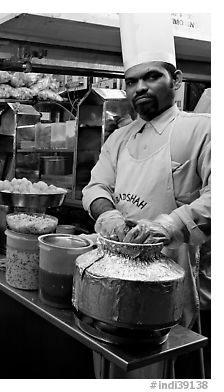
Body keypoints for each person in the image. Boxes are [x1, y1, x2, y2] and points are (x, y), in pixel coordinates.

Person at [82, 14, 210, 378]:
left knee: (157, 365)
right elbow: (96, 186)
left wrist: (168, 226)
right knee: (108, 359)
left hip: (170, 269)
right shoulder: (119, 138)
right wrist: (107, 215)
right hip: (112, 264)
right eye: (132, 81)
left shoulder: (201, 130)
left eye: (152, 76)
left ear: (177, 80)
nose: (140, 87)